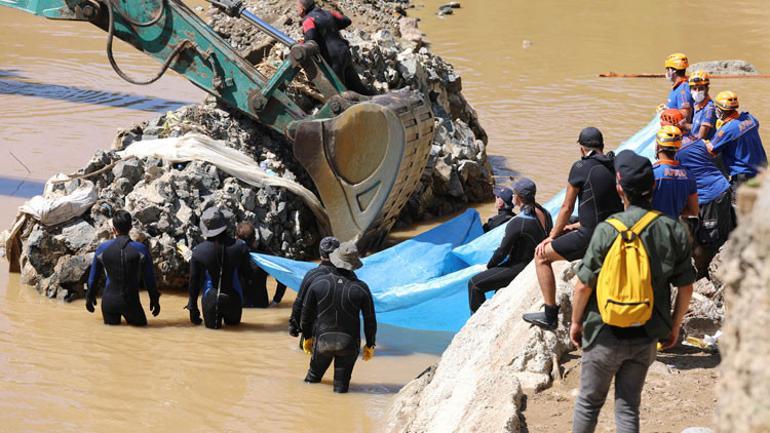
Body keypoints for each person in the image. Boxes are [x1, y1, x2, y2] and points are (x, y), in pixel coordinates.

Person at [569, 150, 695, 433]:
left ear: (619, 188)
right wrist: (674, 326)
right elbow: (686, 287)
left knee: (588, 403)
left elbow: (583, 285)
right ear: (653, 186)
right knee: (627, 406)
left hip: (603, 332)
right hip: (646, 334)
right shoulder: (672, 230)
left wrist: (576, 323)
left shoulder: (606, 229)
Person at [523, 127, 623, 329]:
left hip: (592, 237)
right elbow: (606, 205)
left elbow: (566, 207)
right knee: (571, 230)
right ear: (602, 146)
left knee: (541, 256)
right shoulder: (615, 164)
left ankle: (549, 315)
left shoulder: (580, 167)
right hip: (614, 233)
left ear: (581, 149)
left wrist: (552, 236)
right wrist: (575, 225)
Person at [300, 241, 376, 393]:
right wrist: (370, 344)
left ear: (335, 259)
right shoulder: (361, 288)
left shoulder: (319, 283)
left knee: (312, 380)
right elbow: (370, 321)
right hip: (348, 344)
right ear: (354, 264)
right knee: (341, 388)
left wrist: (307, 337)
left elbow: (306, 316)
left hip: (323, 341)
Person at [468, 178, 552, 313]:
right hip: (534, 262)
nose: (512, 196)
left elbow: (502, 252)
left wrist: (489, 266)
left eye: (514, 193)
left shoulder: (518, 222)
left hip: (519, 267)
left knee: (474, 284)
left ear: (519, 197)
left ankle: (478, 321)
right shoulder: (545, 213)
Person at [86, 210, 160, 326]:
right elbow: (149, 278)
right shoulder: (140, 249)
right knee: (141, 333)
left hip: (109, 302)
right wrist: (154, 299)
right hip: (130, 302)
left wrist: (89, 297)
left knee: (111, 335)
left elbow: (93, 278)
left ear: (113, 229)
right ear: (130, 227)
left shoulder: (102, 249)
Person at [676, 131, 734, 278]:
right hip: (720, 189)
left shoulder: (675, 155)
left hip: (710, 196)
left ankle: (708, 275)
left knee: (710, 239)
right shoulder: (695, 139)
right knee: (717, 234)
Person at [187, 207, 255, 329]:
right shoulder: (240, 247)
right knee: (234, 333)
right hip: (233, 297)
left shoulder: (198, 251)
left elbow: (194, 282)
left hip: (210, 299)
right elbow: (248, 276)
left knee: (212, 335)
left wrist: (192, 307)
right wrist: (247, 299)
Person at [297, 0, 373, 95]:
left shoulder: (308, 20)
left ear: (302, 9)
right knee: (358, 87)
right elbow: (346, 21)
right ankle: (376, 100)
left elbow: (311, 38)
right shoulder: (328, 13)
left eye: (297, 7)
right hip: (344, 52)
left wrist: (302, 43)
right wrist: (329, 27)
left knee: (340, 92)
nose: (297, 10)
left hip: (333, 58)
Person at [707, 90, 767, 191]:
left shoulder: (726, 130)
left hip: (744, 177)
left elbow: (710, 150)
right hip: (761, 172)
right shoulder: (750, 118)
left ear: (720, 110)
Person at [289, 236, 340, 338]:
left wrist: (293, 325)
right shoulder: (348, 275)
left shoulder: (312, 275)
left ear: (320, 254)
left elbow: (299, 302)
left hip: (315, 331)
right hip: (341, 331)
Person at [235, 221, 287, 308]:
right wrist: (275, 301)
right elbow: (283, 276)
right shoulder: (265, 259)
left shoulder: (231, 256)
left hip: (239, 307)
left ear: (236, 238)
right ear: (254, 238)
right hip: (261, 304)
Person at [651, 126, 699, 219]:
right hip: (674, 225)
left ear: (658, 146)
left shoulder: (652, 173)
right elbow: (693, 211)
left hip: (654, 224)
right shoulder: (689, 175)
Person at [662, 52, 694, 122]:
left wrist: (666, 114)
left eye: (667, 69)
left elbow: (685, 115)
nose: (666, 72)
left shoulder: (683, 90)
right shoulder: (678, 87)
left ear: (673, 71)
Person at [685, 71, 716, 141]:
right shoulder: (696, 104)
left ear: (707, 89)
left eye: (701, 88)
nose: (697, 92)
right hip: (694, 140)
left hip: (701, 145)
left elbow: (700, 138)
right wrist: (684, 125)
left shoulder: (709, 109)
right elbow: (696, 126)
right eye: (694, 89)